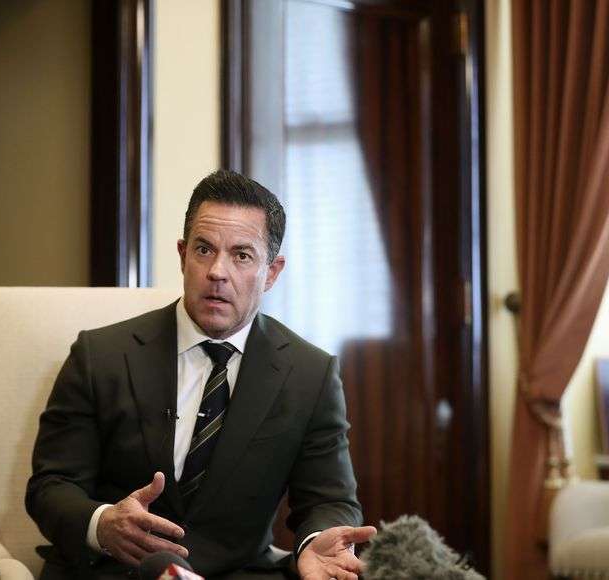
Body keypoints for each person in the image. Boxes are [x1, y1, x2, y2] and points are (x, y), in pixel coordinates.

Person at [26, 170, 376, 579]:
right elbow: (51, 486)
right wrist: (101, 524)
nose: (217, 272)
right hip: (115, 571)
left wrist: (313, 540)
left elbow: (328, 500)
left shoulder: (309, 374)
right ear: (182, 255)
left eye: (242, 255)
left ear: (272, 272)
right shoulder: (101, 355)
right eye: (204, 250)